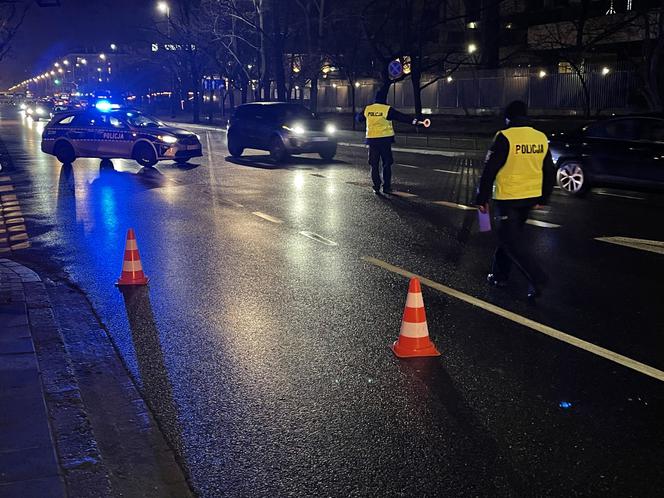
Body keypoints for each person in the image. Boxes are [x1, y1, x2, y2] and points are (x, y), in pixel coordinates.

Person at [475, 100, 555, 301]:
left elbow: (490, 169)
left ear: (508, 118)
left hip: (508, 198)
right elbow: (549, 171)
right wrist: (544, 197)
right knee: (509, 238)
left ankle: (537, 277)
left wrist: (482, 197)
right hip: (530, 198)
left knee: (510, 241)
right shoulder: (540, 137)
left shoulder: (505, 137)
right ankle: (499, 276)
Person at [357, 90, 422, 194]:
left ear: (375, 99)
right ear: (385, 99)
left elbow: (359, 118)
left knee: (374, 164)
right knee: (386, 163)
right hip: (384, 140)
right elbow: (401, 117)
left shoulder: (368, 109)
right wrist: (415, 122)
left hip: (372, 141)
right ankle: (386, 187)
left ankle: (376, 186)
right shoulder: (386, 109)